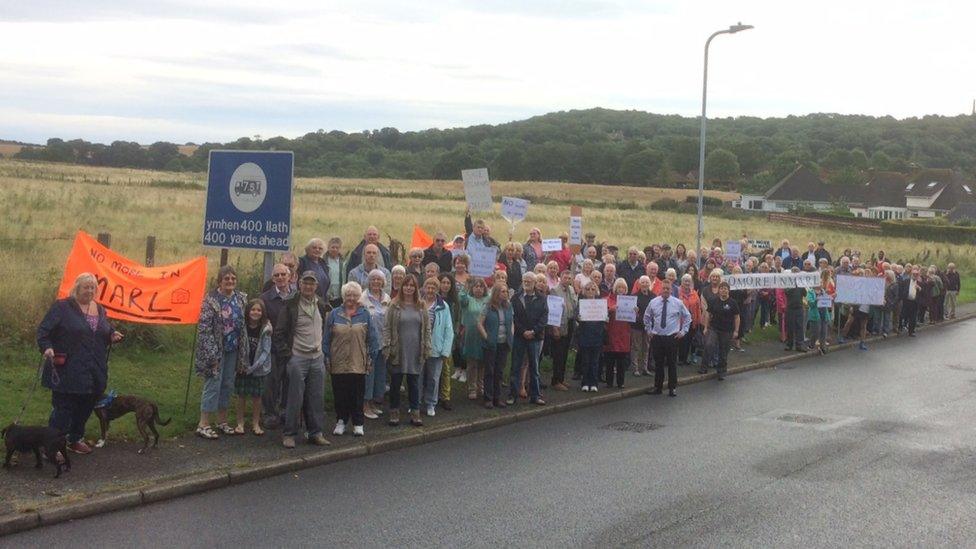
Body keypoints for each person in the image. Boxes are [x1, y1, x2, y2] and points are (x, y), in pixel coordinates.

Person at [37, 272, 123, 454]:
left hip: (94, 369)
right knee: (63, 408)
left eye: (93, 287)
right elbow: (44, 331)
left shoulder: (99, 309)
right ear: (77, 288)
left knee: (86, 406)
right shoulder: (62, 307)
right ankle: (52, 447)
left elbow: (102, 331)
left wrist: (111, 335)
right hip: (68, 368)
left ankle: (74, 438)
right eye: (86, 287)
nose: (90, 290)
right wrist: (46, 347)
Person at [273, 271, 332, 448]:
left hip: (317, 358)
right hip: (297, 358)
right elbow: (279, 334)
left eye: (311, 284)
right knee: (295, 398)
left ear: (316, 286)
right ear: (299, 284)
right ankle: (289, 434)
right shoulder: (290, 305)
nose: (308, 286)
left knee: (316, 398)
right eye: (305, 283)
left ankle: (315, 433)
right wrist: (288, 356)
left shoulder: (321, 304)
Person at [194, 266, 249, 440]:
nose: (230, 281)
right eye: (226, 278)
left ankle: (222, 421)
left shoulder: (240, 299)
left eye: (233, 278)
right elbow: (204, 329)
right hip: (216, 350)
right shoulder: (210, 300)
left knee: (227, 384)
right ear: (219, 281)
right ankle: (203, 424)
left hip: (233, 349)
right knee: (213, 384)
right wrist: (212, 355)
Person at [324, 282, 379, 438]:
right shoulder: (334, 314)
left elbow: (373, 339)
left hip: (358, 361)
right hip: (338, 361)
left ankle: (358, 423)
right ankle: (341, 421)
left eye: (355, 295)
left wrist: (370, 359)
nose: (351, 298)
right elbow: (326, 338)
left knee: (356, 394)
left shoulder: (365, 314)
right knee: (340, 394)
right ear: (343, 296)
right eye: (348, 295)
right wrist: (326, 357)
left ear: (359, 297)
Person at [383, 275, 431, 427]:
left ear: (416, 288)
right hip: (398, 350)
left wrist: (427, 347)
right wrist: (387, 346)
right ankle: (394, 412)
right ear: (401, 287)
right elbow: (387, 327)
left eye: (412, 286)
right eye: (406, 285)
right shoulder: (394, 305)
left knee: (414, 383)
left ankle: (415, 412)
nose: (409, 288)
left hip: (415, 350)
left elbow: (427, 329)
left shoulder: (421, 306)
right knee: (396, 383)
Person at [259, 263, 295, 429]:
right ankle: (269, 414)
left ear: (290, 276)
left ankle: (285, 412)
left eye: (283, 274)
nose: (280, 278)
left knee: (289, 381)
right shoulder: (265, 298)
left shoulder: (296, 296)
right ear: (273, 279)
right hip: (272, 347)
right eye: (277, 275)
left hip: (292, 346)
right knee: (271, 383)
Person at [644, 282, 691, 397]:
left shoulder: (678, 303)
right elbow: (647, 317)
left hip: (672, 337)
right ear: (661, 289)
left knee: (672, 363)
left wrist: (683, 331)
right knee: (658, 364)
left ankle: (672, 388)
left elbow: (687, 317)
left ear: (671, 290)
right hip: (657, 337)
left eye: (668, 288)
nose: (665, 290)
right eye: (664, 288)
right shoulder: (653, 302)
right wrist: (648, 330)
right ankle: (658, 387)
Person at [508, 272, 548, 406]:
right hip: (520, 337)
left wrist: (534, 331)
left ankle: (535, 396)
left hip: (535, 337)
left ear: (535, 282)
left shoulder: (542, 298)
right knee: (515, 366)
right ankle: (512, 395)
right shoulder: (515, 298)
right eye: (525, 280)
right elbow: (514, 318)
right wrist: (523, 331)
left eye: (530, 280)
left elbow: (544, 318)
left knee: (534, 368)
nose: (527, 282)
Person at [235, 299, 272, 435]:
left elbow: (265, 351)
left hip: (258, 368)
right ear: (248, 311)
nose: (255, 312)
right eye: (253, 309)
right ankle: (240, 423)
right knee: (241, 395)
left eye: (259, 310)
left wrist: (254, 367)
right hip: (243, 367)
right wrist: (242, 365)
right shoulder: (242, 327)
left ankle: (255, 423)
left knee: (257, 397)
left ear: (263, 313)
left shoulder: (266, 329)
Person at [359, 269, 391, 420]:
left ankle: (373, 403)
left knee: (379, 375)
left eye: (379, 279)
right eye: (373, 279)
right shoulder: (362, 299)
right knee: (368, 375)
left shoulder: (387, 298)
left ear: (383, 282)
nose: (376, 282)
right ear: (369, 281)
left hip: (382, 342)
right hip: (368, 343)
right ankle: (365, 405)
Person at [478, 283, 514, 409]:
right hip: (491, 343)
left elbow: (511, 322)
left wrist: (511, 334)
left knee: (499, 371)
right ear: (496, 293)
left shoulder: (508, 306)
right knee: (490, 371)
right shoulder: (488, 306)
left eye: (506, 291)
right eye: (502, 291)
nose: (505, 294)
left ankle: (497, 397)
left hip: (504, 343)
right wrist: (486, 337)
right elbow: (480, 323)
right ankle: (488, 398)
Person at [458, 277, 490, 399]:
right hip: (471, 334)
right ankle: (472, 388)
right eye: (476, 286)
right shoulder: (468, 300)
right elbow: (461, 297)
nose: (478, 289)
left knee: (482, 362)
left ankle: (480, 386)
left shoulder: (488, 300)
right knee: (472, 363)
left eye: (481, 286)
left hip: (484, 334)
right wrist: (467, 284)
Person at [702, 281, 739, 380]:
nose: (723, 290)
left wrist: (736, 331)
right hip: (714, 328)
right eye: (721, 288)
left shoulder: (732, 303)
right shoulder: (714, 301)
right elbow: (708, 315)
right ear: (719, 290)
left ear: (728, 291)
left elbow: (736, 317)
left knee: (724, 351)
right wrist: (706, 327)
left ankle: (721, 371)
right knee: (709, 345)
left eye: (725, 289)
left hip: (727, 331)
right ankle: (704, 367)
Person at [548, 270, 578, 391]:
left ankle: (561, 378)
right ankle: (555, 380)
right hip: (559, 324)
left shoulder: (571, 290)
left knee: (565, 353)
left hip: (570, 323)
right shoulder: (554, 290)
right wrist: (555, 328)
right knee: (558, 354)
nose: (567, 280)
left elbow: (574, 304)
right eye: (565, 278)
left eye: (569, 278)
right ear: (561, 278)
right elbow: (552, 310)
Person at [576, 281, 606, 392]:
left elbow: (604, 318)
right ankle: (585, 383)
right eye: (588, 289)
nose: (590, 291)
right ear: (584, 291)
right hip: (584, 335)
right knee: (585, 362)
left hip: (597, 336)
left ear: (596, 291)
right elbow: (575, 315)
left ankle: (594, 383)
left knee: (595, 362)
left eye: (592, 289)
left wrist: (605, 318)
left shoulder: (600, 304)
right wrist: (578, 317)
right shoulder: (581, 303)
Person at [437, 273, 460, 410]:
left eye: (448, 283)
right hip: (436, 336)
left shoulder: (454, 302)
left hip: (449, 338)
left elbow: (457, 319)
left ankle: (445, 396)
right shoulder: (435, 299)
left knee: (445, 368)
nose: (445, 285)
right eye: (443, 282)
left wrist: (454, 335)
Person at [604, 278, 632, 388]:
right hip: (611, 333)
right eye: (619, 287)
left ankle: (621, 383)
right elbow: (601, 314)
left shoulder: (630, 301)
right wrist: (611, 310)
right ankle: (609, 382)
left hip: (624, 334)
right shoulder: (607, 299)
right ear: (615, 288)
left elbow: (634, 319)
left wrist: (635, 312)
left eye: (623, 287)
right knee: (610, 361)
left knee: (621, 361)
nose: (621, 289)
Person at [676, 274, 702, 366]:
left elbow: (698, 307)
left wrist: (699, 320)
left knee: (689, 340)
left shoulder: (694, 293)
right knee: (681, 340)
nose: (687, 283)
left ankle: (685, 358)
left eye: (688, 281)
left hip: (692, 321)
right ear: (681, 282)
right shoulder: (677, 292)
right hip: (680, 321)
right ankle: (680, 358)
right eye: (685, 281)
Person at [783, 269, 807, 352]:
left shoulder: (801, 283)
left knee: (800, 327)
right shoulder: (788, 283)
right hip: (790, 308)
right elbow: (786, 292)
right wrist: (794, 285)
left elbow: (805, 293)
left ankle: (799, 345)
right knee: (790, 327)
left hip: (799, 307)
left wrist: (802, 285)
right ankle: (789, 344)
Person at [324, 237, 347, 309]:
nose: (335, 249)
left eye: (337, 248)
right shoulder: (323, 261)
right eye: (333, 247)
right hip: (327, 295)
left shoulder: (343, 262)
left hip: (339, 295)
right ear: (328, 247)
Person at [901, 268, 921, 337]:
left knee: (913, 317)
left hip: (915, 302)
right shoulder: (906, 281)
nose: (915, 275)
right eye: (914, 274)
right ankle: (900, 328)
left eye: (916, 274)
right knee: (903, 315)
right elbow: (902, 289)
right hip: (906, 301)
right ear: (911, 275)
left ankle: (911, 331)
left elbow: (925, 292)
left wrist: (920, 289)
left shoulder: (920, 282)